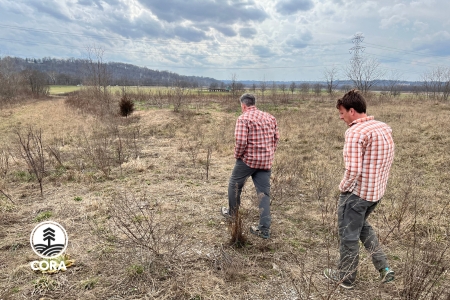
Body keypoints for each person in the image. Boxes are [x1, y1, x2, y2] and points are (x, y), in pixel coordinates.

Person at [324, 89, 395, 289]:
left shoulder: (355, 132)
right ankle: (384, 268)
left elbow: (353, 169)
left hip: (357, 195)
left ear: (352, 111)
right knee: (362, 227)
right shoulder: (383, 128)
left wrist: (343, 189)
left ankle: (345, 278)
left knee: (349, 235)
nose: (341, 117)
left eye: (342, 113)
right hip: (376, 193)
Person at [221, 93, 279, 239]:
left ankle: (233, 214)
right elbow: (276, 138)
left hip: (248, 161)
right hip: (265, 162)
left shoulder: (243, 118)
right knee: (263, 194)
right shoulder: (270, 117)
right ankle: (264, 229)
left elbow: (241, 142)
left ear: (243, 105)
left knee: (234, 184)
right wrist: (268, 154)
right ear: (254, 103)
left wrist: (238, 156)